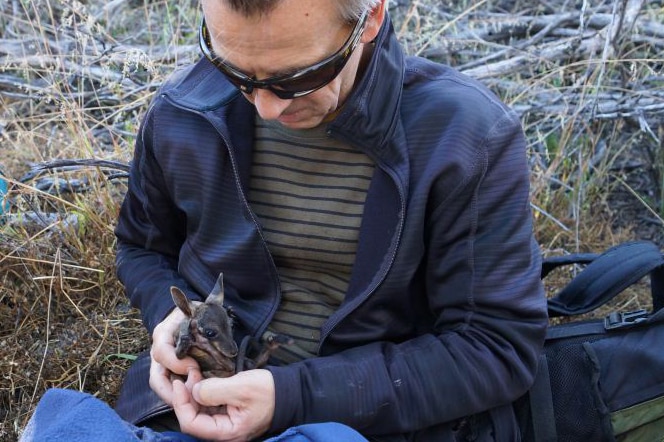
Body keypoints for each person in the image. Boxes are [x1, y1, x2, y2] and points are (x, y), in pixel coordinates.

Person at [113, 0, 548, 440]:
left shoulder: (464, 138)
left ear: (370, 17)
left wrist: (294, 398)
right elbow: (142, 247)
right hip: (182, 412)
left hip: (366, 423)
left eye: (298, 78)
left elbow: (495, 347)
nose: (266, 107)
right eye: (235, 72)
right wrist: (173, 315)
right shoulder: (185, 111)